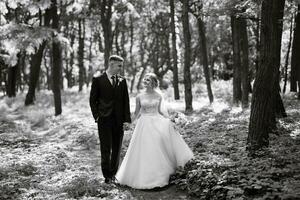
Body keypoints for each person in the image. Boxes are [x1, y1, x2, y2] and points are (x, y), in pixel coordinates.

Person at [115, 73, 193, 189]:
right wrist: (129, 122)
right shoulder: (139, 96)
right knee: (144, 148)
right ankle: (143, 177)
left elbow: (161, 112)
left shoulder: (159, 96)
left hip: (157, 122)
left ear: (153, 82)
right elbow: (136, 113)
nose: (145, 81)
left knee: (157, 148)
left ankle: (159, 176)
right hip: (144, 124)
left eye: (148, 80)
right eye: (145, 79)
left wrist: (171, 119)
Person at [89, 55, 131, 184]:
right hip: (104, 119)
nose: (120, 68)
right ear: (111, 64)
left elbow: (126, 101)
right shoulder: (98, 79)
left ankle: (114, 174)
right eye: (119, 66)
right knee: (105, 148)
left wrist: (127, 120)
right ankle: (107, 176)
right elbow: (93, 100)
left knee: (117, 148)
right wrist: (97, 116)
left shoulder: (122, 81)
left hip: (118, 120)